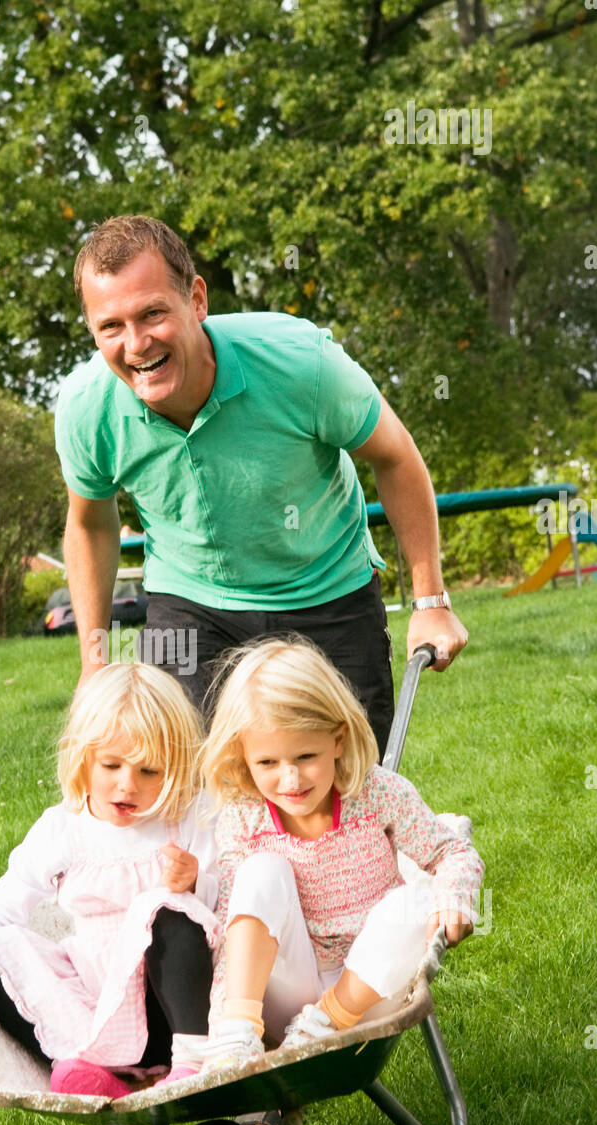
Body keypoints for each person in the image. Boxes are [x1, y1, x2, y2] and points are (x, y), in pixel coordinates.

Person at [57, 215, 468, 757]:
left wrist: (430, 601)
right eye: (111, 326)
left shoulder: (299, 361)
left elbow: (396, 458)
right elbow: (89, 525)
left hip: (327, 589)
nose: (136, 343)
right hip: (190, 601)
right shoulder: (87, 408)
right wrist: (94, 663)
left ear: (196, 300)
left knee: (348, 794)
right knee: (190, 788)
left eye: (152, 313)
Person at [198, 637, 484, 1125]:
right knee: (258, 873)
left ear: (338, 737)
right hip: (288, 982)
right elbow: (233, 923)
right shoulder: (243, 819)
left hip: (364, 989)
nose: (290, 779)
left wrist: (453, 898)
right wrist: (226, 1014)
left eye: (306, 755)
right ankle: (238, 1037)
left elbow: (451, 853)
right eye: (268, 763)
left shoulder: (377, 795)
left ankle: (319, 1032)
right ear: (243, 756)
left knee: (416, 899)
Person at [0, 662, 220, 1098]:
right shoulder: (65, 829)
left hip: (174, 1014)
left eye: (149, 771)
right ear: (83, 757)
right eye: (112, 765)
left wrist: (197, 882)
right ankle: (87, 1068)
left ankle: (192, 1064)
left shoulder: (188, 818)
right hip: (97, 1008)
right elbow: (6, 898)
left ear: (175, 767)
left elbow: (227, 898)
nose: (128, 785)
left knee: (167, 910)